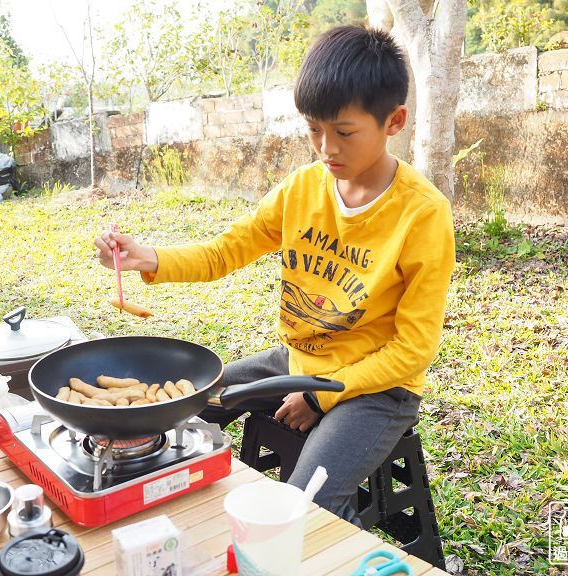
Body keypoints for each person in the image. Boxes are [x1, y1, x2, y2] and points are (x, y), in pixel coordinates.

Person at [94, 25, 455, 526]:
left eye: (344, 132)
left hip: (378, 388)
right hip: (296, 358)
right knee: (182, 408)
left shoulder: (422, 214)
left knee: (306, 505)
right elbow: (226, 251)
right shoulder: (301, 190)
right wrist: (149, 258)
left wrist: (317, 395)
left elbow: (413, 350)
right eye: (313, 129)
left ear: (394, 121)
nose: (325, 148)